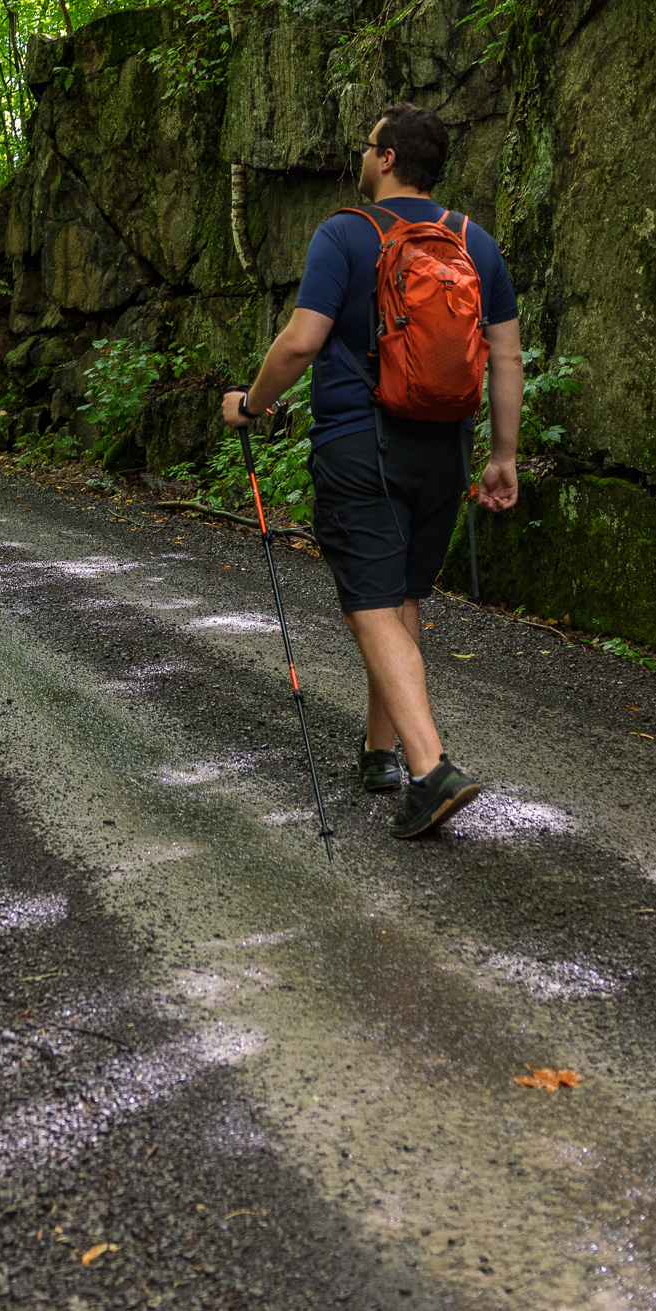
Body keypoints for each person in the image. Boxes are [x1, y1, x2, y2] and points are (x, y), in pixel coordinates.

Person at [221, 102, 522, 840]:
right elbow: (506, 355)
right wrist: (502, 456)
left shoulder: (345, 234)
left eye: (367, 144)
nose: (362, 154)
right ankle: (380, 751)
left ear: (386, 158)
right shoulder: (475, 243)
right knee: (401, 593)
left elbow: (301, 342)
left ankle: (430, 767)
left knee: (367, 601)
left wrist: (251, 406)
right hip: (443, 452)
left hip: (361, 445)